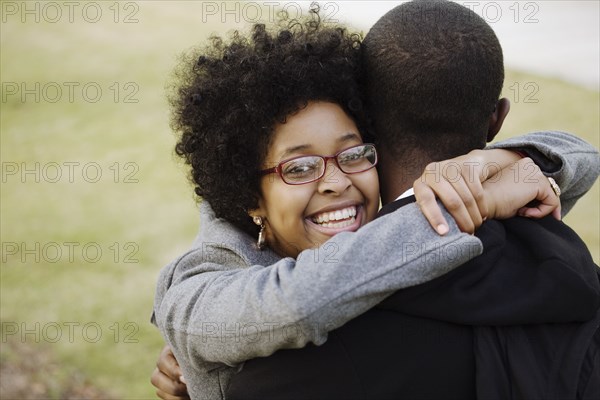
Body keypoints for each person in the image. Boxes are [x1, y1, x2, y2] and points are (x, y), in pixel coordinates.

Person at [151, 4, 599, 399]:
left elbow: (581, 157)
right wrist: (468, 202)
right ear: (249, 194)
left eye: (352, 154)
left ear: (376, 143)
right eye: (300, 167)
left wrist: (502, 160)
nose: (335, 183)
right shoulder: (195, 295)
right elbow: (299, 302)